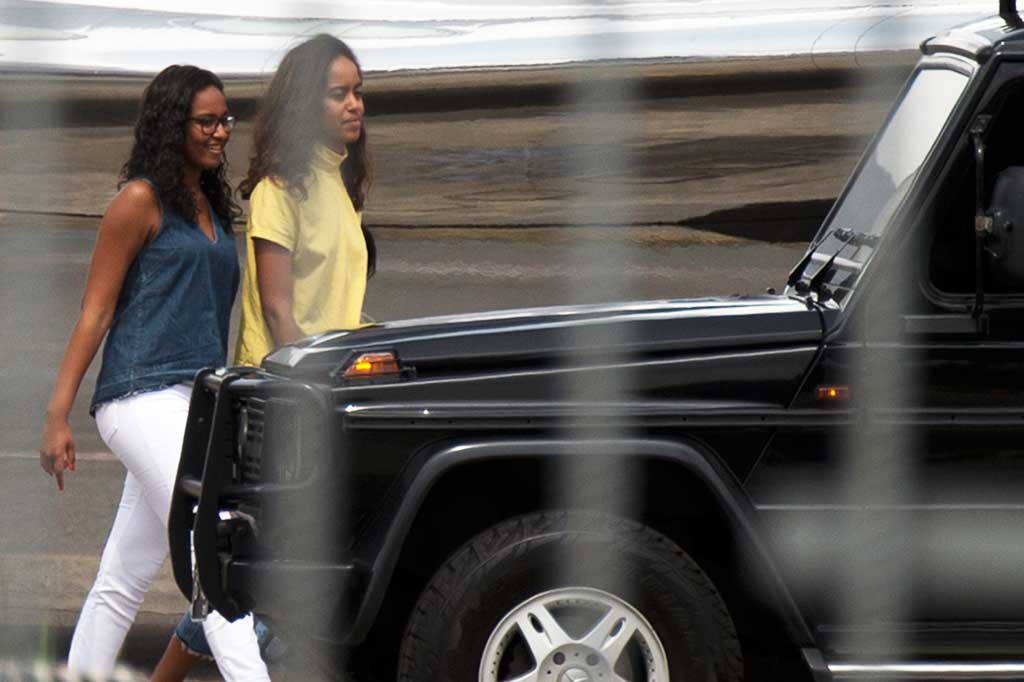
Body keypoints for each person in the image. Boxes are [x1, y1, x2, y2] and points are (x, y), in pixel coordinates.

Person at [151, 34, 375, 679]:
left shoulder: (339, 185)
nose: (355, 105)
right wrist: (321, 392)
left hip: (323, 396)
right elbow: (279, 309)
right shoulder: (282, 189)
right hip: (280, 404)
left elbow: (332, 304)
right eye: (339, 94)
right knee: (269, 572)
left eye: (358, 92)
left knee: (272, 574)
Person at [38, 64, 271, 682]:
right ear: (173, 124)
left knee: (126, 570)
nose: (221, 132)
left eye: (226, 119)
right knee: (212, 547)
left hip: (195, 403)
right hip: (138, 395)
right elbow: (95, 311)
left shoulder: (213, 206)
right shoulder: (139, 201)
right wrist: (57, 414)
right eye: (206, 120)